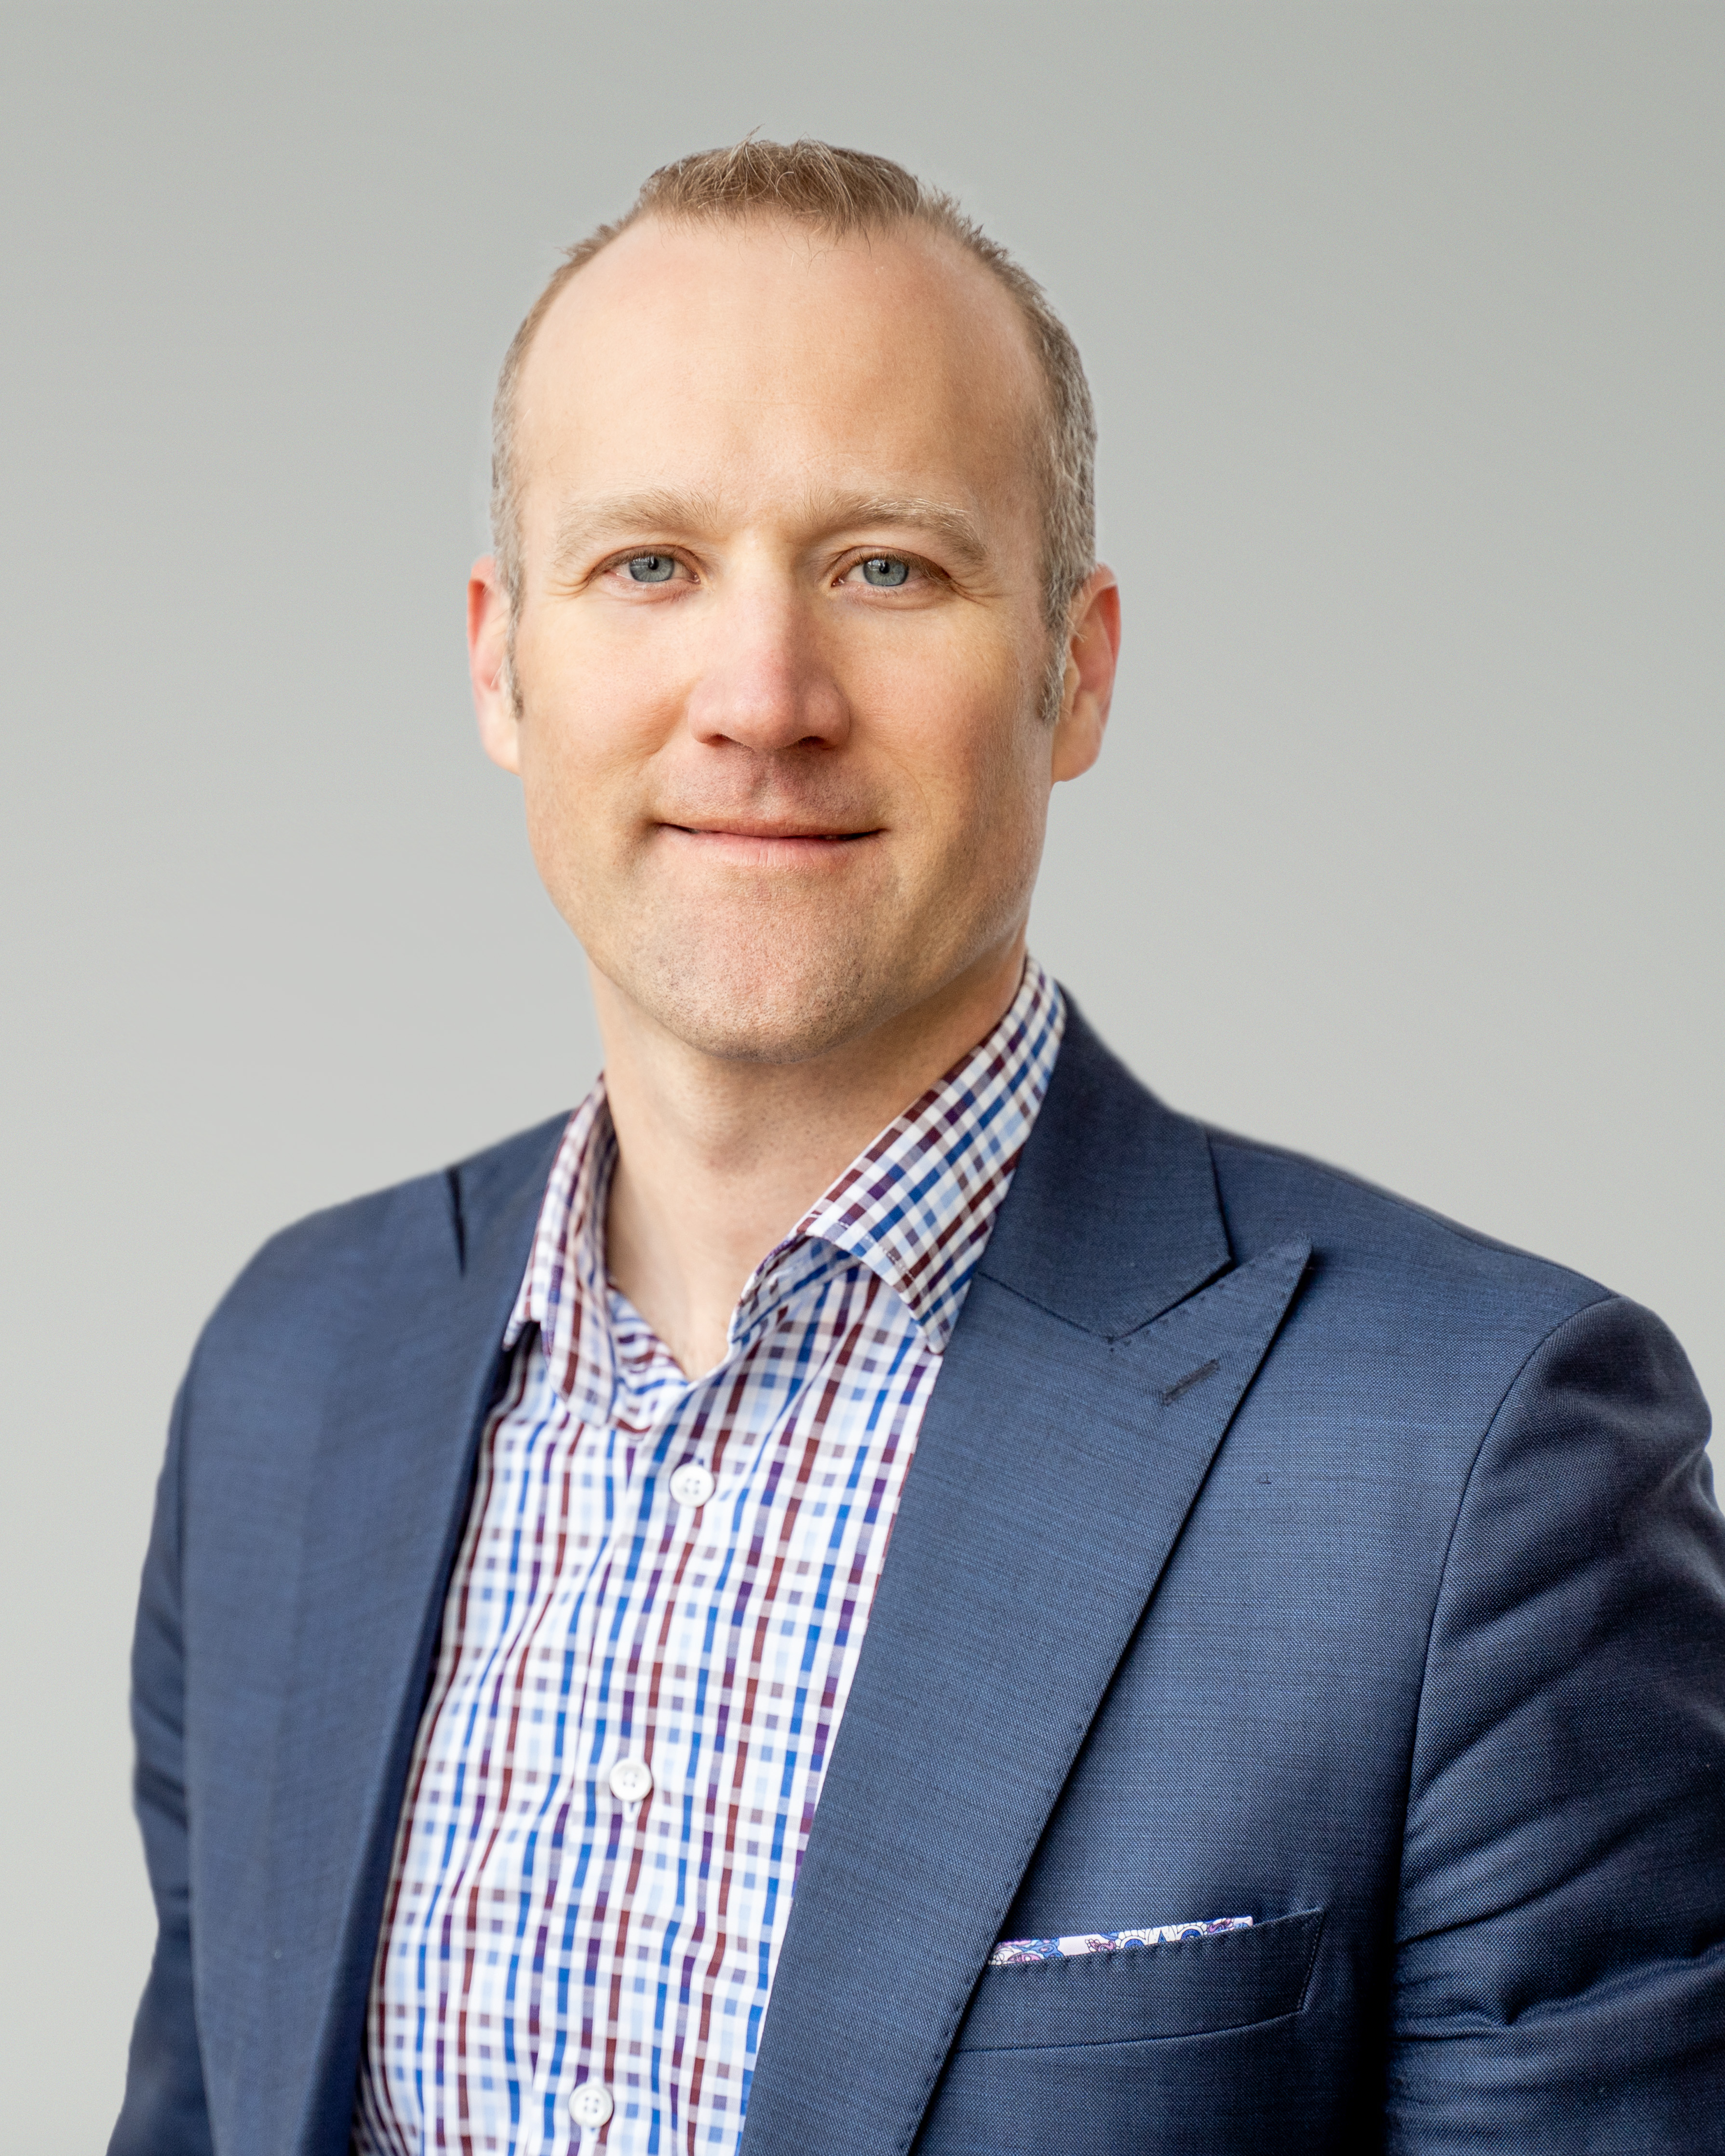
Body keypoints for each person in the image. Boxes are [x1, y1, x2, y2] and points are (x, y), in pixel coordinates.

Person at [110, 140, 1724, 2156]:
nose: (761, 698)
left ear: (1076, 670)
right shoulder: (288, 1380)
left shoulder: (1475, 1470)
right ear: (499, 661)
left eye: (886, 567)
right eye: (647, 564)